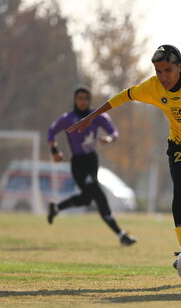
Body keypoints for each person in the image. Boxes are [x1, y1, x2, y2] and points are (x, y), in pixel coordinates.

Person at [68, 45, 181, 264]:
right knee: (180, 189)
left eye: (168, 70)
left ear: (180, 67)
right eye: (158, 71)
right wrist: (92, 116)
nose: (163, 76)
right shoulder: (153, 87)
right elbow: (124, 96)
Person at [47, 87, 137, 246]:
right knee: (99, 195)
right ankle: (121, 234)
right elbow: (51, 132)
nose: (83, 101)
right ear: (75, 100)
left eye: (86, 98)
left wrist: (109, 139)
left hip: (92, 161)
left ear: (89, 100)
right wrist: (54, 151)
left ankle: (56, 208)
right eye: (80, 98)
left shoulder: (98, 116)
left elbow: (113, 131)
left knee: (87, 198)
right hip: (78, 163)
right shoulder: (68, 118)